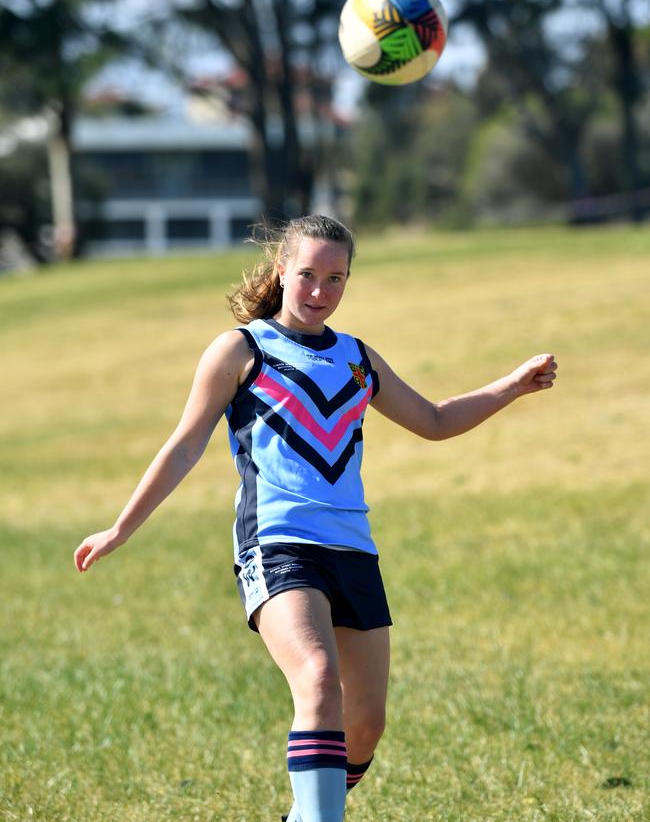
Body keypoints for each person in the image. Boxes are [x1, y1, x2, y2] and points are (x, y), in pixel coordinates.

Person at [74, 214, 558, 822]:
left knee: (366, 725)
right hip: (276, 544)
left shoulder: (357, 358)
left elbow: (433, 420)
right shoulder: (241, 350)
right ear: (282, 271)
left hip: (353, 549)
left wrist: (512, 386)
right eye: (307, 275)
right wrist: (120, 527)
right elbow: (184, 445)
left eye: (336, 279)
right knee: (318, 678)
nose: (320, 292)